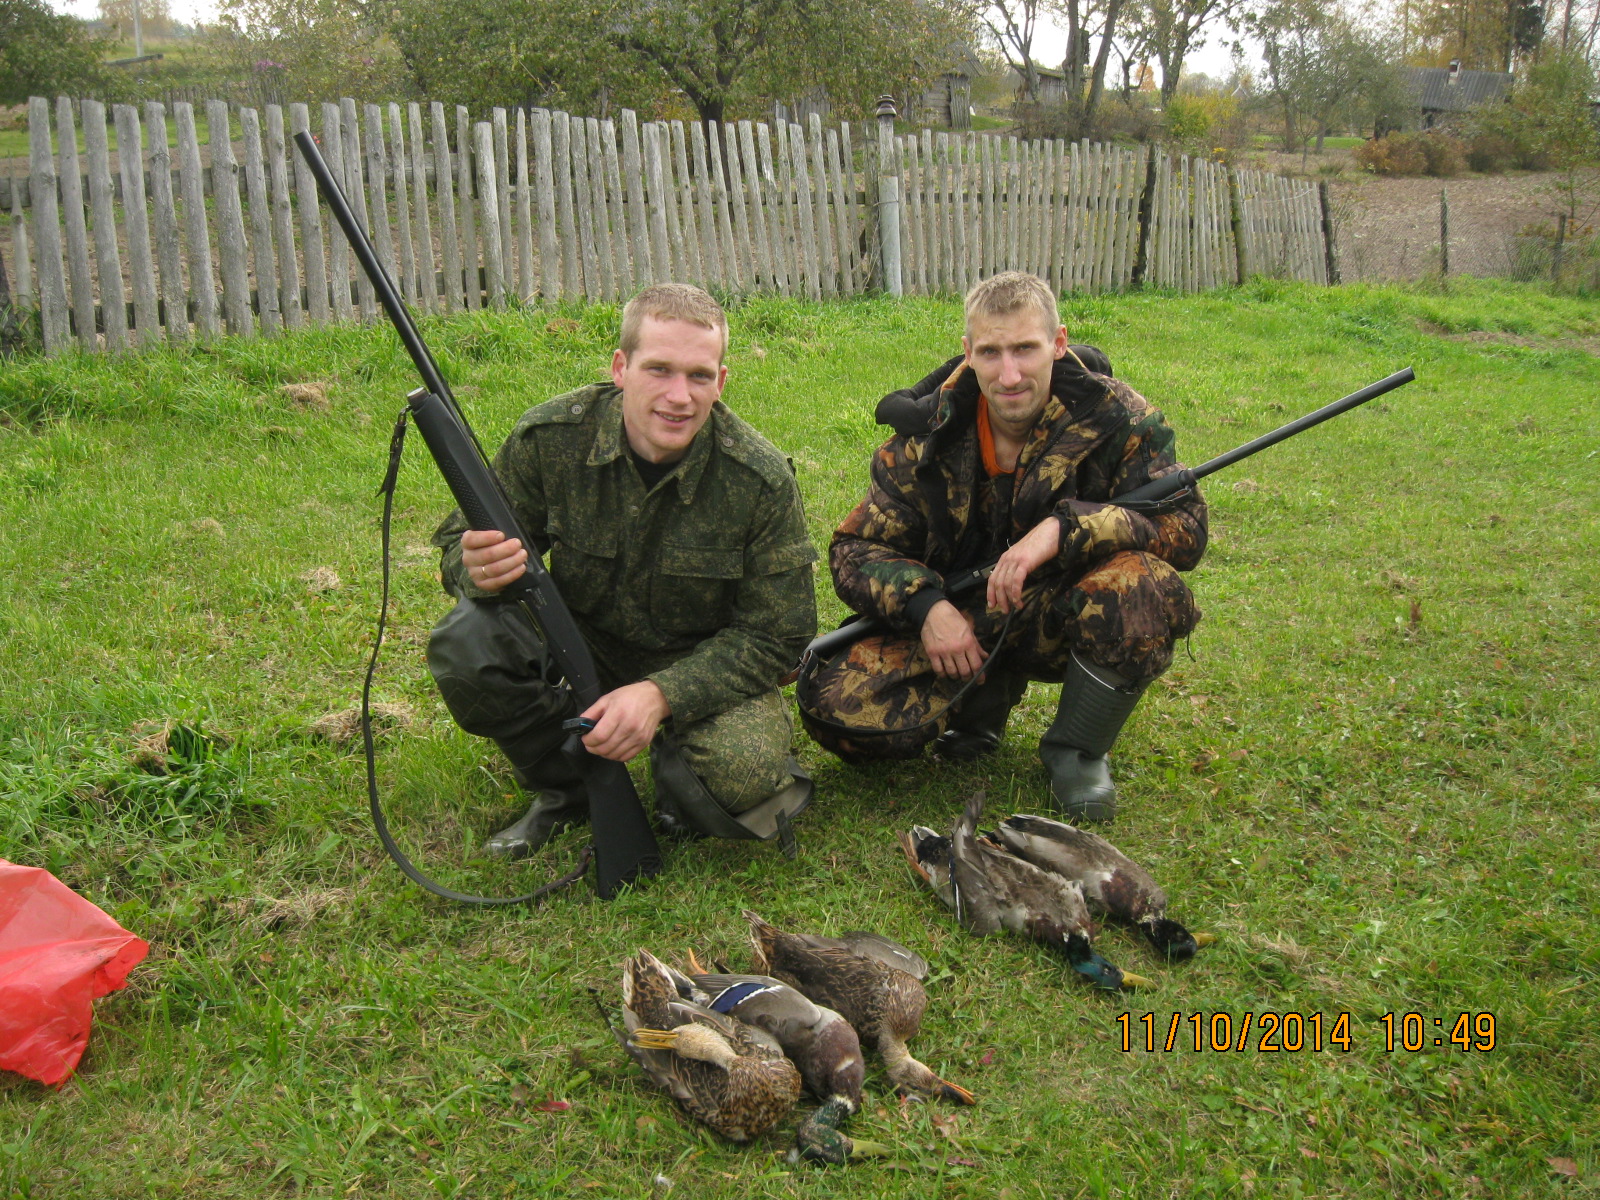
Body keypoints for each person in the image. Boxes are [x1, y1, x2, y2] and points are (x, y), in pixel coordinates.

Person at [427, 284, 818, 859]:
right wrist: (473, 567)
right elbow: (457, 538)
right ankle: (567, 788)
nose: (679, 396)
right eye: (658, 369)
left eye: (699, 376)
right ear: (620, 368)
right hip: (579, 644)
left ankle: (675, 770)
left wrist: (661, 696)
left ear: (721, 382)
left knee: (743, 771)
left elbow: (778, 635)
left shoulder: (758, 478)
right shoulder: (551, 439)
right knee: (467, 642)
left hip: (698, 661)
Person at [799, 272, 1207, 822]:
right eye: (990, 352)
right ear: (968, 352)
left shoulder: (1119, 417)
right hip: (963, 620)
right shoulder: (924, 434)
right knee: (835, 710)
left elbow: (1186, 527)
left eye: (1025, 349)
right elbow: (855, 550)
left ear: (1058, 343)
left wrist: (1069, 529)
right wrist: (927, 607)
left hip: (1061, 608)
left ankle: (1078, 752)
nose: (1008, 375)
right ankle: (979, 706)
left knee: (1142, 585)